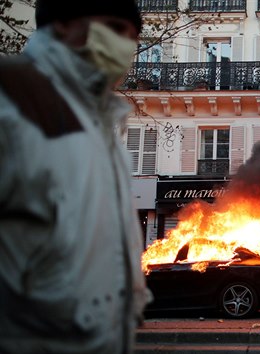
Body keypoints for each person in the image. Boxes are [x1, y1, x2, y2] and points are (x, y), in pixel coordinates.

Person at [0, 1, 150, 353]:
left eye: (134, 37)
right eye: (114, 27)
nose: (125, 46)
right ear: (64, 23)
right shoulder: (11, 97)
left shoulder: (102, 123)